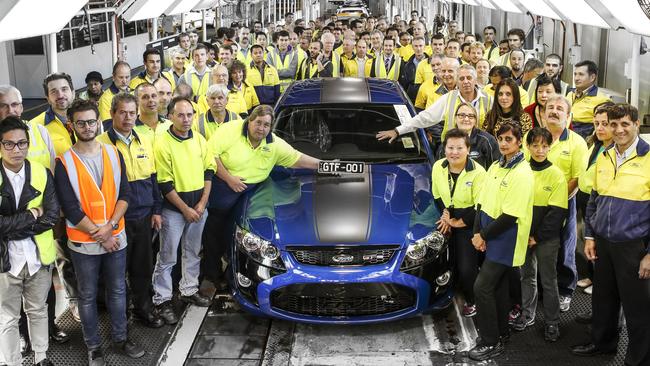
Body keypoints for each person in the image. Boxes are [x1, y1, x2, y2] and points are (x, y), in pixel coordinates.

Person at [54, 100, 144, 365]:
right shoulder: (64, 162)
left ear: (99, 122)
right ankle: (93, 347)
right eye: (80, 122)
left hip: (115, 237)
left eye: (91, 121)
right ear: (72, 125)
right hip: (84, 244)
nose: (87, 126)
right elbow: (70, 208)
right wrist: (101, 233)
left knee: (118, 290)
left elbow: (125, 194)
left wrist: (110, 227)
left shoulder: (113, 153)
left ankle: (121, 338)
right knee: (88, 295)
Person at [203, 105, 320, 288]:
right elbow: (210, 155)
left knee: (238, 235)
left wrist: (324, 165)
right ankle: (212, 274)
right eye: (258, 123)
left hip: (250, 191)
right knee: (214, 232)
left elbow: (297, 158)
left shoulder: (273, 143)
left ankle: (234, 270)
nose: (261, 128)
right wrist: (229, 178)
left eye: (266, 125)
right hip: (223, 186)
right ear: (250, 120)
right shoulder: (230, 130)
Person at [573, 103, 650, 366]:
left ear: (637, 125)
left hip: (634, 246)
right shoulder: (604, 156)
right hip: (604, 242)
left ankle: (638, 359)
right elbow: (595, 199)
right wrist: (591, 236)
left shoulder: (648, 158)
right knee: (603, 299)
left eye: (624, 124)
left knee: (638, 308)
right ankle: (603, 343)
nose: (618, 130)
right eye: (613, 124)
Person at [96, 93, 164, 329]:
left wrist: (157, 209)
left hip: (144, 217)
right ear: (112, 113)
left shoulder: (144, 139)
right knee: (115, 272)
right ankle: (121, 316)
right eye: (122, 112)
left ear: (137, 114)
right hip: (116, 219)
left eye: (131, 113)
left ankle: (143, 309)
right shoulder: (100, 144)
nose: (127, 118)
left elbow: (153, 178)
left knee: (142, 267)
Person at [468, 122, 534, 361]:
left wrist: (482, 236)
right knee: (498, 287)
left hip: (506, 236)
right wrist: (478, 232)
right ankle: (501, 332)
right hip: (489, 233)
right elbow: (482, 202)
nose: (504, 143)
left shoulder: (522, 173)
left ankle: (490, 341)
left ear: (519, 142)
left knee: (482, 287)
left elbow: (510, 216)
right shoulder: (496, 165)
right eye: (501, 138)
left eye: (509, 139)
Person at [0, 116, 59, 366]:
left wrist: (12, 225)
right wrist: (32, 214)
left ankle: (41, 358)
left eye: (22, 143)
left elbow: (53, 215)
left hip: (37, 257)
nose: (17, 149)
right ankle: (12, 362)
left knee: (38, 310)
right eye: (10, 144)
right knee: (7, 318)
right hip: (5, 262)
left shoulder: (41, 172)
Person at [151, 96, 215, 325]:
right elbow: (164, 184)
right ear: (170, 116)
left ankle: (188, 290)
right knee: (167, 257)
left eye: (189, 114)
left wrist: (201, 204)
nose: (186, 119)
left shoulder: (199, 139)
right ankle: (162, 300)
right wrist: (186, 209)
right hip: (174, 211)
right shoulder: (163, 143)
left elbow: (209, 171)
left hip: (198, 209)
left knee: (193, 251)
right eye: (180, 114)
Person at [526, 95, 588, 312]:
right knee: (537, 247)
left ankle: (565, 290)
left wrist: (559, 199)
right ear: (542, 114)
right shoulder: (532, 138)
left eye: (559, 108)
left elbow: (577, 177)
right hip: (533, 204)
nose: (553, 111)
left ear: (568, 115)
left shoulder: (577, 142)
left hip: (564, 204)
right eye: (549, 107)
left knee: (565, 247)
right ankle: (542, 290)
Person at [514, 127, 567, 342]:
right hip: (523, 235)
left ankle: (552, 322)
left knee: (548, 279)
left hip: (546, 238)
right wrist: (523, 234)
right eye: (535, 145)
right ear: (527, 146)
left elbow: (557, 214)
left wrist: (537, 237)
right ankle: (528, 314)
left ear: (550, 146)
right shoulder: (521, 170)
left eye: (544, 146)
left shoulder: (556, 175)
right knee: (527, 276)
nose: (539, 150)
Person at [432, 128, 486, 318]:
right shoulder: (438, 166)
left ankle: (473, 301)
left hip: (470, 220)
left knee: (466, 268)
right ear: (444, 148)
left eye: (459, 148)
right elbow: (437, 195)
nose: (454, 152)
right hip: (448, 214)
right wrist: (446, 215)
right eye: (450, 147)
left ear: (468, 149)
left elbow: (480, 207)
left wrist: (456, 223)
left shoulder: (478, 172)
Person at [378, 63, 491, 144]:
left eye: (469, 78)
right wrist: (398, 131)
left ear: (475, 80)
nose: (465, 81)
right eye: (461, 78)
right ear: (457, 81)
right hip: (452, 152)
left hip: (480, 151)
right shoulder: (448, 99)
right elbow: (424, 118)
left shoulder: (489, 100)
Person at [574, 101, 615, 314]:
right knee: (587, 242)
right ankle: (592, 278)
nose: (600, 128)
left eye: (605, 124)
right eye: (597, 123)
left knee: (598, 247)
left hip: (599, 202)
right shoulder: (596, 143)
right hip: (585, 198)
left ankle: (600, 288)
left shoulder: (614, 151)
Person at [440, 103, 500, 169]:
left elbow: (496, 168)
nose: (466, 119)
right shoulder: (448, 140)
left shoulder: (487, 140)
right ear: (455, 118)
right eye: (462, 115)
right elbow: (441, 167)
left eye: (471, 116)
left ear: (475, 121)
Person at [30, 73, 76, 157]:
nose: (60, 95)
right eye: (54, 92)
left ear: (73, 93)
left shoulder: (85, 120)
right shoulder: (34, 126)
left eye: (64, 89)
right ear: (48, 99)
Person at [566, 60, 611, 139]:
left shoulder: (602, 100)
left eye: (581, 74)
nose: (576, 78)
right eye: (575, 74)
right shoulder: (570, 94)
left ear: (592, 77)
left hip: (583, 141)